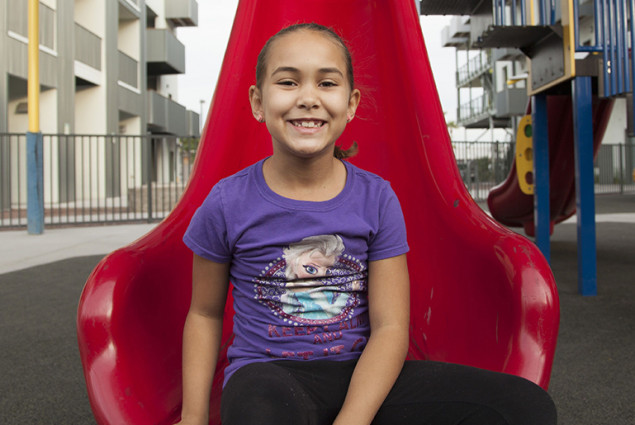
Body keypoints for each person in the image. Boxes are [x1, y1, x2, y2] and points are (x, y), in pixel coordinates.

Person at [176, 23, 557, 425]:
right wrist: (193, 416)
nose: (308, 98)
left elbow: (391, 326)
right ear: (258, 101)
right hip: (269, 380)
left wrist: (354, 418)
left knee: (525, 407)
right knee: (260, 411)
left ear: (351, 103)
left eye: (327, 83)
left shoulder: (376, 199)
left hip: (364, 375)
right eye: (288, 82)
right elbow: (204, 313)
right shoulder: (227, 201)